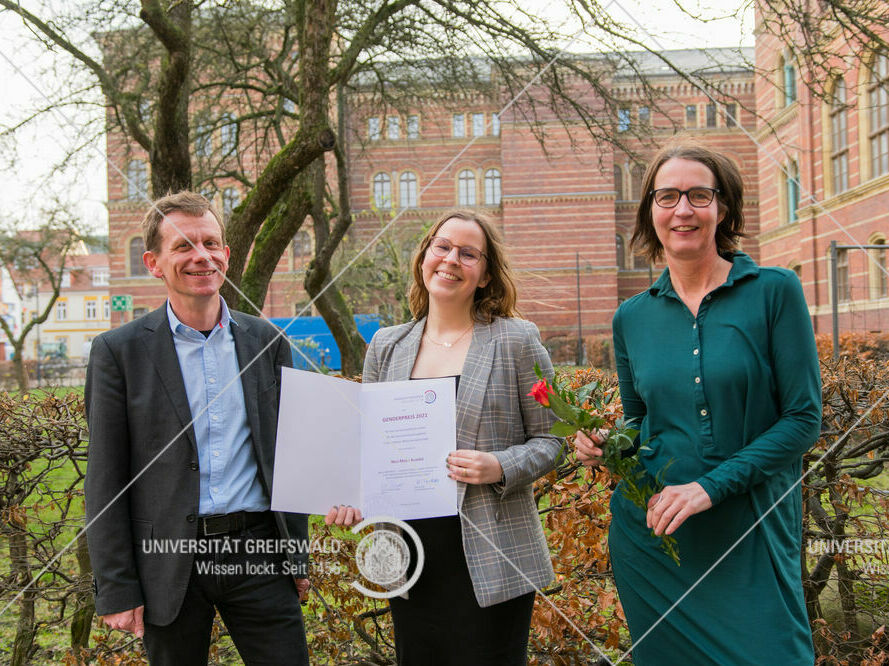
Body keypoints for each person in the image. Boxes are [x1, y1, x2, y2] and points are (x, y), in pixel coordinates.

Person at [575, 143, 820, 664]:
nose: (682, 209)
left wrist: (710, 487)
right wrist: (608, 445)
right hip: (658, 541)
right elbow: (642, 420)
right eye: (667, 196)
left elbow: (803, 419)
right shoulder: (630, 318)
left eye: (698, 195)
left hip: (749, 527)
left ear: (722, 208)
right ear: (650, 212)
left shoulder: (774, 291)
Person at [84, 191, 310, 665]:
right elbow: (105, 478)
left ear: (226, 255)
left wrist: (297, 554)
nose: (201, 256)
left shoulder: (268, 342)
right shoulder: (118, 353)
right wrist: (117, 587)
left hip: (259, 553)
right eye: (184, 246)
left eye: (210, 243)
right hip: (167, 561)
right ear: (154, 262)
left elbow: (289, 456)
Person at [327, 209, 562, 665]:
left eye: (468, 253)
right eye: (443, 247)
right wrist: (351, 493)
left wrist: (500, 466)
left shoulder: (517, 340)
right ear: (424, 257)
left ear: (486, 274)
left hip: (492, 555)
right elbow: (373, 451)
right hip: (411, 556)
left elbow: (553, 438)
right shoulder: (387, 346)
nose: (451, 259)